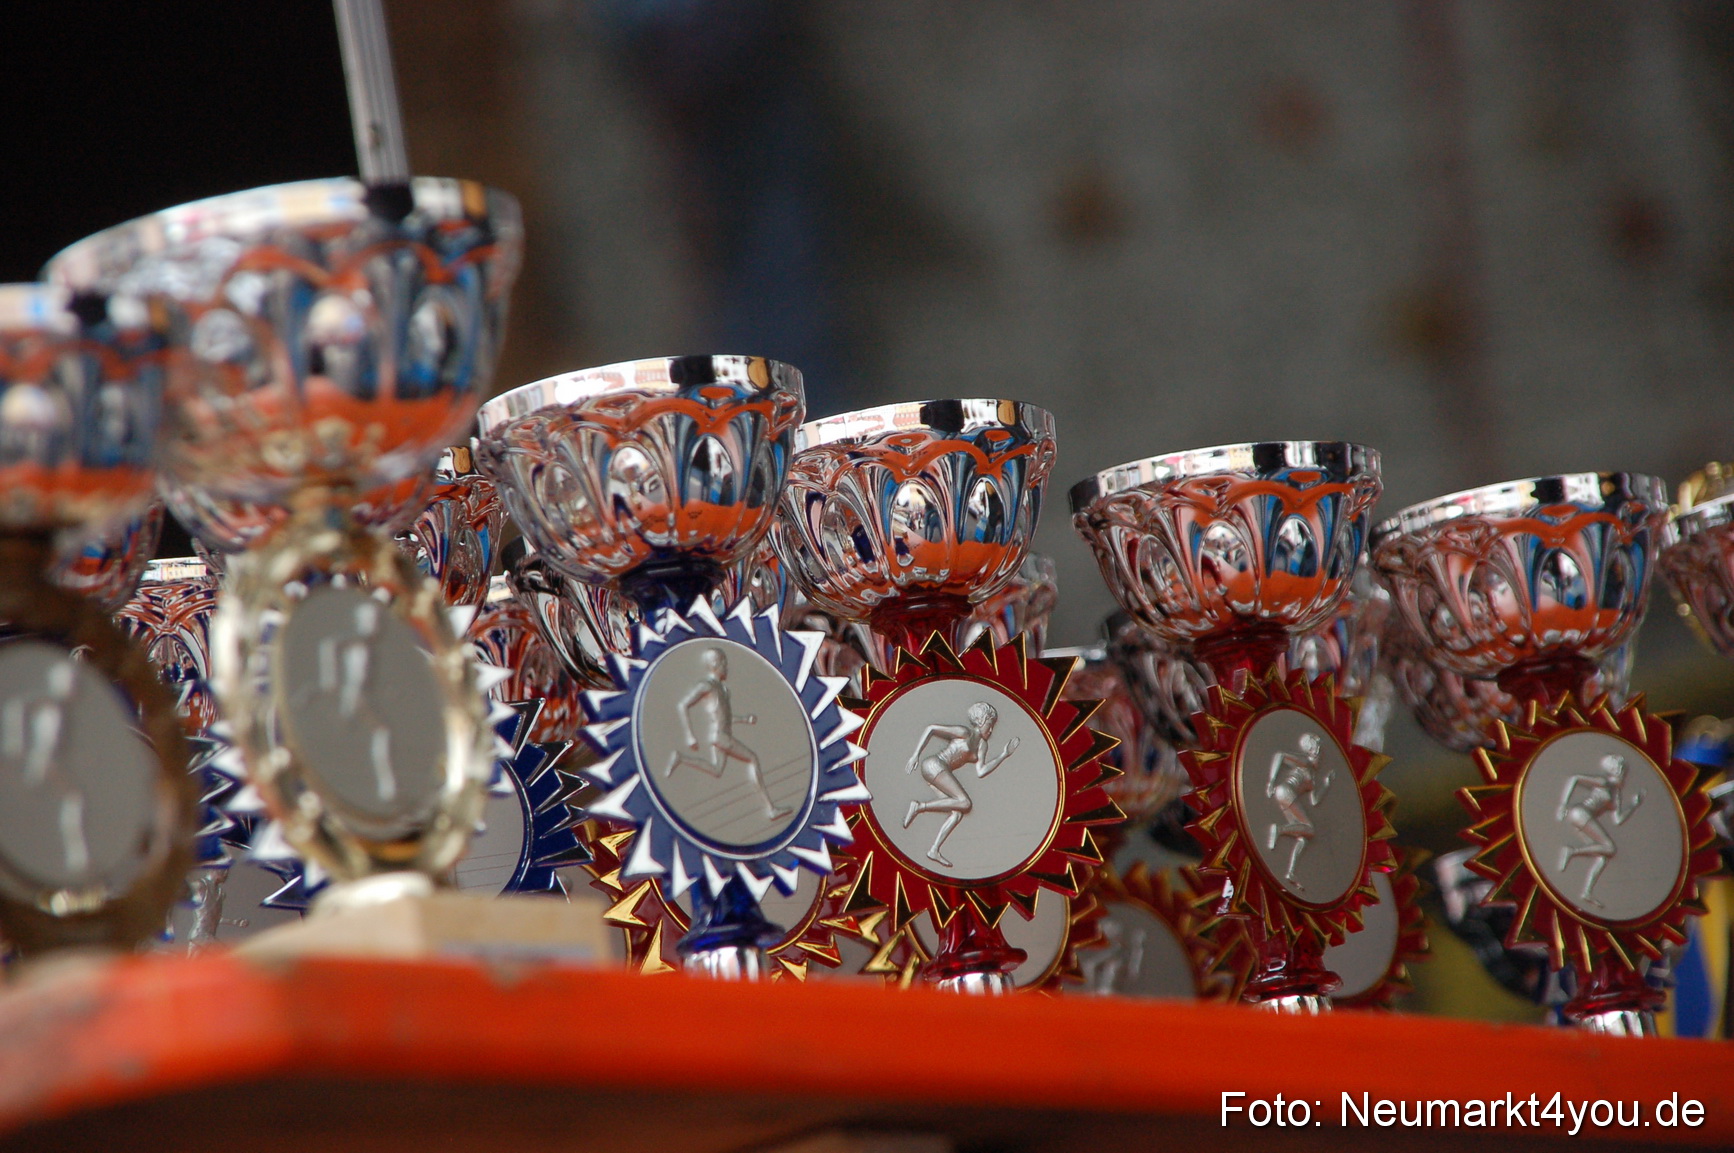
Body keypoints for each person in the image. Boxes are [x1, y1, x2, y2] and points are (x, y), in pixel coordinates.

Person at [666, 646, 789, 820]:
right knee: (753, 758)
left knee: (717, 771)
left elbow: (725, 717)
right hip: (721, 737)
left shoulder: (723, 690)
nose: (727, 667)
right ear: (716, 664)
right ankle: (770, 809)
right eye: (724, 663)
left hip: (721, 735)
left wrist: (744, 719)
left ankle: (681, 758)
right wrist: (689, 735)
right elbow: (683, 705)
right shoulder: (706, 686)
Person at [902, 701, 1020, 868]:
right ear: (980, 721)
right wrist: (915, 755)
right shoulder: (964, 732)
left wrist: (1003, 755)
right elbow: (931, 728)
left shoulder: (982, 745)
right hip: (934, 765)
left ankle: (934, 850)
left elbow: (981, 771)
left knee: (957, 813)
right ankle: (919, 806)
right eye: (989, 724)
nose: (991, 730)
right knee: (965, 802)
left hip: (941, 773)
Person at [0, 657, 89, 877]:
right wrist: (16, 750)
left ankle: (76, 857)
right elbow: (16, 715)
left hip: (47, 764)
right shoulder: (37, 705)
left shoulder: (63, 709)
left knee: (72, 800)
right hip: (33, 764)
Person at [1556, 753, 1644, 906]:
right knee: (1610, 847)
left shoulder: (1616, 793)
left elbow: (1618, 820)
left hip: (1583, 818)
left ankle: (1587, 893)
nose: (1624, 776)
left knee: (1602, 856)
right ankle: (1571, 851)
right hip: (1581, 813)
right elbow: (1575, 778)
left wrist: (1633, 805)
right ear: (1617, 771)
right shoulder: (1604, 782)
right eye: (1623, 772)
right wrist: (1563, 804)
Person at [1266, 731, 1334, 888]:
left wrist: (1327, 785)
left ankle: (1291, 872)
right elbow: (1280, 756)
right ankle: (1280, 830)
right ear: (1313, 750)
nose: (1321, 756)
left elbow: (1315, 800)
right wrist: (1271, 781)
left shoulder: (1313, 776)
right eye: (1318, 751)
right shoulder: (1305, 763)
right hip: (1285, 791)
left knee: (1303, 836)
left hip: (1286, 796)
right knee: (1310, 829)